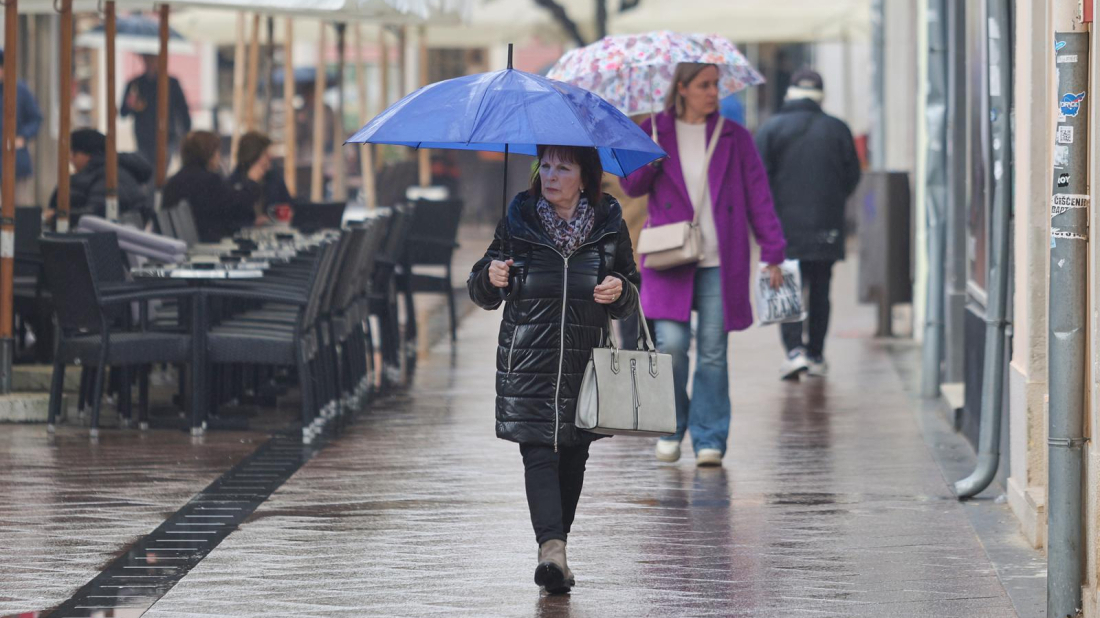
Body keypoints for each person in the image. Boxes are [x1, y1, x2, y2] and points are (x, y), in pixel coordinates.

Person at [467, 145, 640, 594]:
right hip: (529, 362)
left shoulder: (608, 224)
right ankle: (552, 550)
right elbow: (480, 288)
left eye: (563, 167)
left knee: (575, 454)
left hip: (586, 361)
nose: (551, 175)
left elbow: (630, 291)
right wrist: (492, 276)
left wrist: (619, 290)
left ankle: (557, 546)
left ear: (585, 177)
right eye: (545, 165)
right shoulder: (519, 220)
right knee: (539, 451)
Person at [620, 63, 787, 467]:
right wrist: (652, 159)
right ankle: (672, 426)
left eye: (716, 85)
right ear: (682, 88)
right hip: (669, 255)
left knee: (713, 351)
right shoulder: (654, 130)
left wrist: (773, 250)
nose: (714, 92)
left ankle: (710, 436)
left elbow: (758, 196)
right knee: (672, 346)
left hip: (719, 258)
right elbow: (631, 185)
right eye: (705, 85)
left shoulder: (735, 136)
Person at [755, 68, 862, 379]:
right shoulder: (838, 128)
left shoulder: (771, 129)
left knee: (786, 286)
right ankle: (816, 352)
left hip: (782, 226)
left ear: (790, 93)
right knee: (820, 289)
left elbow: (757, 181)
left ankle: (794, 351)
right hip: (826, 224)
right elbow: (852, 176)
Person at [162, 131, 265, 242]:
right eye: (217, 152)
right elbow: (235, 204)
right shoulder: (209, 180)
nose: (219, 157)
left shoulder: (172, 182)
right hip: (206, 245)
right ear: (209, 153)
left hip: (179, 247)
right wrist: (252, 182)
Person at [47, 128, 153, 226]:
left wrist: (58, 216)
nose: (70, 159)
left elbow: (98, 212)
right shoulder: (112, 170)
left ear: (86, 154)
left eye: (73, 153)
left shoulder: (108, 175)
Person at [120, 54, 192, 175]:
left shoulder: (171, 83)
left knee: (161, 170)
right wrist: (132, 105)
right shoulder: (135, 84)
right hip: (144, 135)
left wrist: (187, 131)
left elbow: (182, 109)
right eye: (147, 59)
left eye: (153, 59)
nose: (150, 62)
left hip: (167, 134)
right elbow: (123, 112)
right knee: (147, 170)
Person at [0, 49, 43, 206]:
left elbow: (36, 118)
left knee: (19, 206)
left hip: (15, 158)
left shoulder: (20, 90)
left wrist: (23, 137)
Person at [229, 131, 292, 225]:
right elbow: (233, 217)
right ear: (253, 156)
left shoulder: (274, 177)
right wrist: (251, 183)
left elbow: (288, 205)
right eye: (266, 154)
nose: (270, 157)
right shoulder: (234, 182)